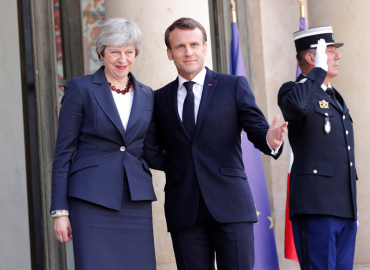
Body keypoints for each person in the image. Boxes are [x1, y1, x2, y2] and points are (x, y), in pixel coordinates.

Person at [144, 17, 287, 270]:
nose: (188, 52)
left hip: (231, 205)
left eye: (194, 44)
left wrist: (270, 139)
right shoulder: (158, 98)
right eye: (180, 47)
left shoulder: (232, 86)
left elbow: (256, 128)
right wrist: (180, 166)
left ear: (205, 48)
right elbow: (152, 150)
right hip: (184, 209)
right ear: (169, 53)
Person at [51, 18, 157, 269]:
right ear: (101, 53)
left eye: (129, 52)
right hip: (90, 200)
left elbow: (148, 149)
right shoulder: (81, 88)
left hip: (135, 200)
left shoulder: (147, 94)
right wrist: (60, 211)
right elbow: (64, 152)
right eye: (115, 52)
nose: (122, 59)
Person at [278, 26, 357, 269]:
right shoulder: (292, 90)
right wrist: (318, 72)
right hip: (316, 206)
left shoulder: (335, 96)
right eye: (331, 52)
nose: (338, 57)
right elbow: (297, 107)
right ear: (313, 58)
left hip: (343, 207)